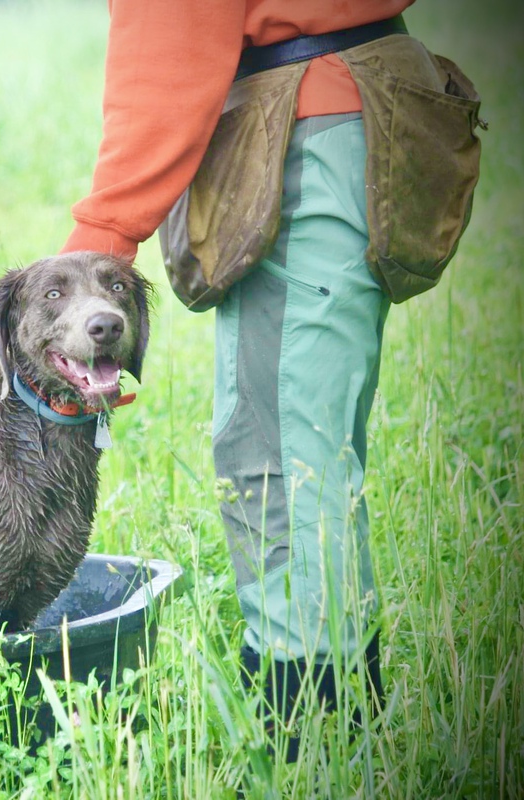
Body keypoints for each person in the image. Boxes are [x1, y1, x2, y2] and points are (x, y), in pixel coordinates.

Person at [62, 0, 482, 766]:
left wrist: (97, 250)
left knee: (283, 457)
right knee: (310, 445)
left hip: (308, 133)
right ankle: (348, 713)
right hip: (354, 110)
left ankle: (314, 741)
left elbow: (171, 44)